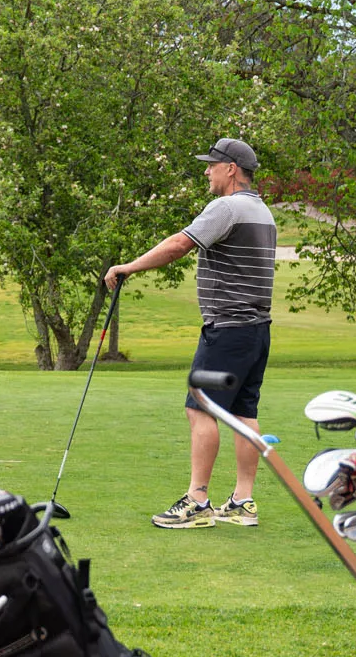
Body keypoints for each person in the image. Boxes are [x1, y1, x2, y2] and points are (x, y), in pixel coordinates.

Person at [106, 137, 277, 529]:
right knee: (243, 412)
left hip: (228, 327)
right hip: (256, 330)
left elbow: (180, 244)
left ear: (230, 168)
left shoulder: (227, 207)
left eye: (212, 165)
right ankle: (242, 502)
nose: (206, 172)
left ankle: (198, 501)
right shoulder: (262, 211)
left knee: (198, 408)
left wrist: (129, 267)